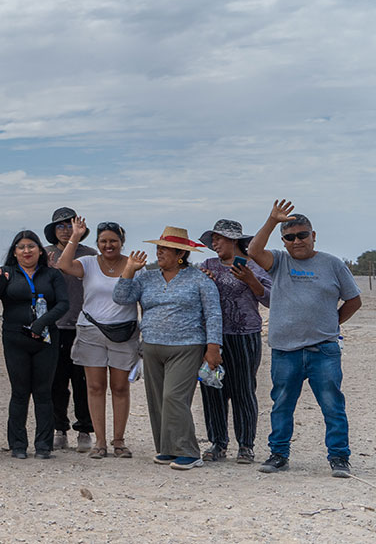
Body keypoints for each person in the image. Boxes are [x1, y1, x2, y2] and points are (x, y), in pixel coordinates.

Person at [248, 201, 362, 478]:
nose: (297, 241)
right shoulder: (279, 262)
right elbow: (253, 251)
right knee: (282, 405)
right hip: (285, 351)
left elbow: (354, 300)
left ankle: (339, 457)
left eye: (302, 235)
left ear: (313, 235)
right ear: (283, 241)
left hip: (324, 351)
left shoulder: (333, 264)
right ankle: (279, 454)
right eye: (290, 237)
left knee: (332, 406)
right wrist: (272, 221)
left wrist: (332, 323)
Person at [113, 226, 221, 471]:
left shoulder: (199, 279)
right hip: (152, 347)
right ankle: (167, 448)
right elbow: (121, 297)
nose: (159, 252)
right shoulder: (147, 277)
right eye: (159, 248)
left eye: (165, 249)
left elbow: (213, 314)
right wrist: (129, 270)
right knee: (157, 400)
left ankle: (189, 452)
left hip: (186, 346)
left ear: (180, 254)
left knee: (174, 397)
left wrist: (213, 347)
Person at [55, 218, 138, 460]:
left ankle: (119, 441)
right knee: (95, 387)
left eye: (113, 241)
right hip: (91, 330)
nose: (108, 245)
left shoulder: (133, 265)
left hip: (123, 332)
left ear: (122, 242)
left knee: (120, 387)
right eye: (103, 241)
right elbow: (63, 265)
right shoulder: (88, 262)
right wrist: (75, 236)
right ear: (97, 243)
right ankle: (100, 441)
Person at [0, 230, 69, 459]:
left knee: (43, 392)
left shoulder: (52, 274)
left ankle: (43, 445)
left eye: (31, 246)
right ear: (14, 252)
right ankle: (17, 444)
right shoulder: (7, 273)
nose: (26, 251)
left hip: (46, 338)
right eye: (21, 247)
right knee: (20, 392)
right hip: (15, 338)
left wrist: (42, 323)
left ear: (40, 250)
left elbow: (63, 304)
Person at [197, 219, 271, 465]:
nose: (215, 244)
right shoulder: (208, 265)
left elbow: (271, 299)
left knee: (243, 390)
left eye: (218, 239)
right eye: (213, 240)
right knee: (212, 388)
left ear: (234, 240)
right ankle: (217, 442)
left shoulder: (254, 266)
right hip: (213, 337)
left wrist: (251, 280)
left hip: (244, 335)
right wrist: (203, 281)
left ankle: (246, 445)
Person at [43, 207, 95, 453]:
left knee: (83, 382)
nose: (65, 230)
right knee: (56, 382)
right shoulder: (45, 254)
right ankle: (59, 429)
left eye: (69, 225)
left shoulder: (90, 255)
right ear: (53, 230)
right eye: (60, 226)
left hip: (84, 325)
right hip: (54, 326)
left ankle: (85, 429)